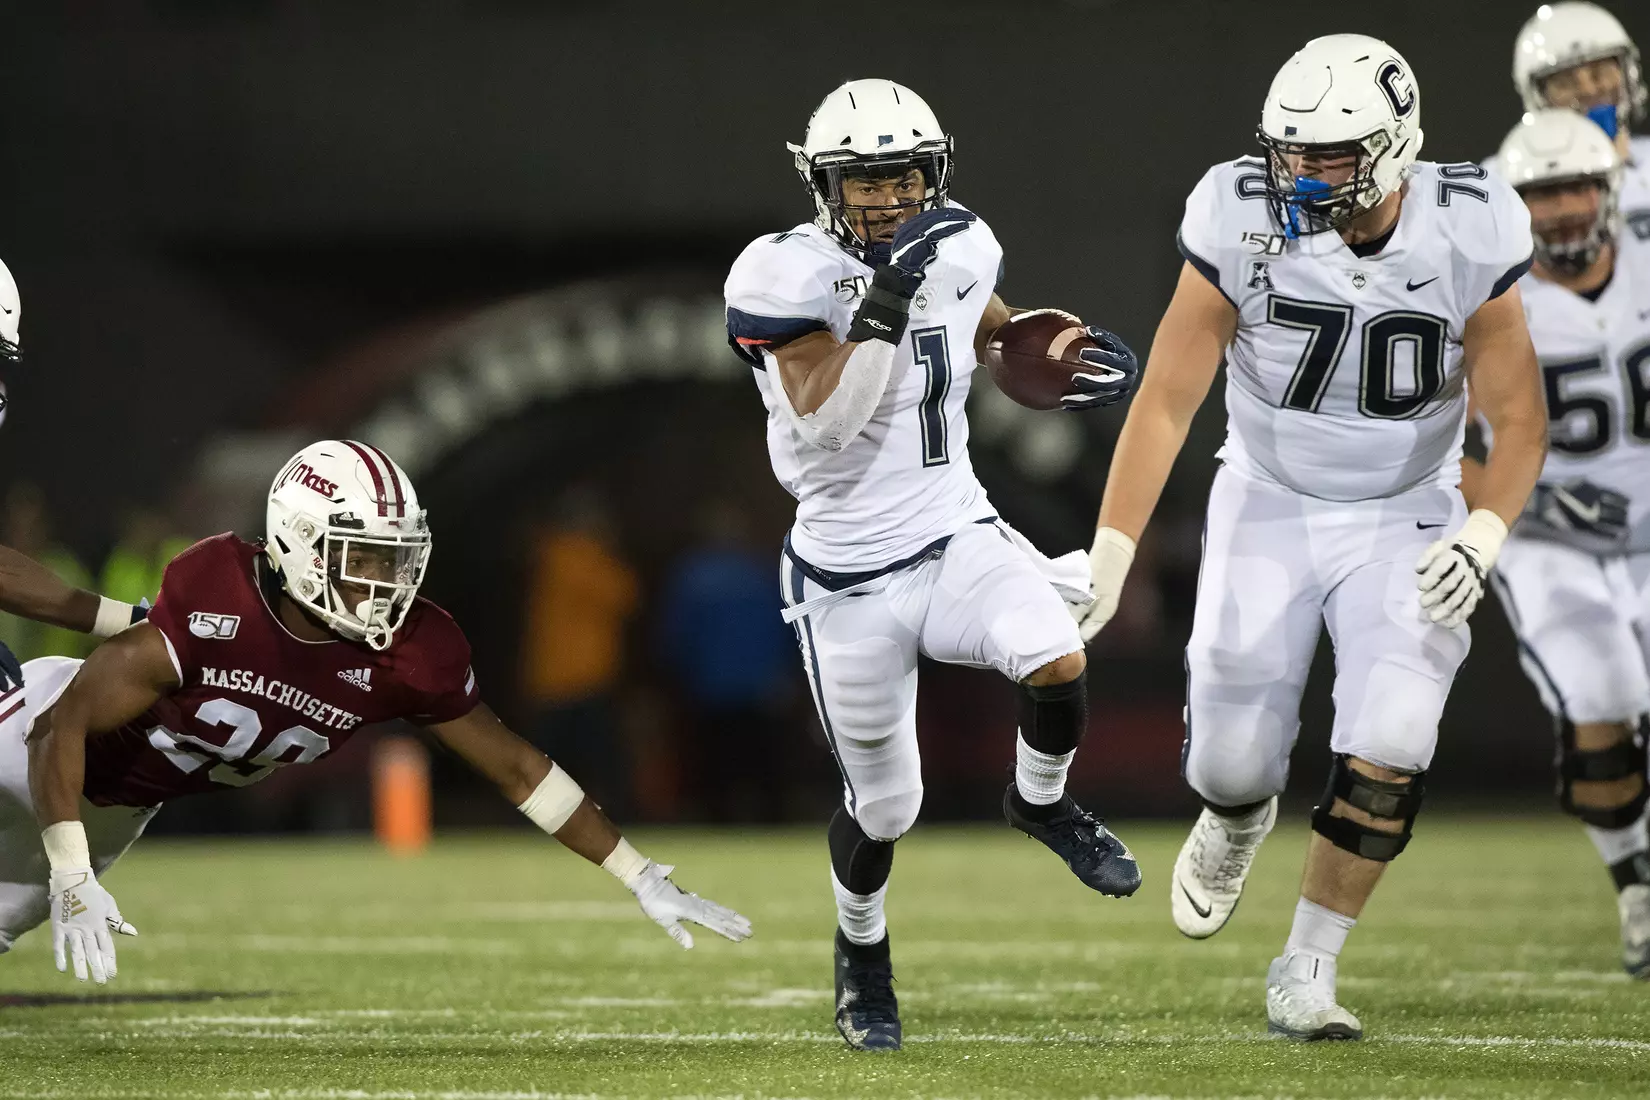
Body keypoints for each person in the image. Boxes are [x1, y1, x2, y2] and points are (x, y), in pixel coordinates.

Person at [1078, 36, 1547, 1040]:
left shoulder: (1469, 224)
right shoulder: (1236, 211)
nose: (1302, 171)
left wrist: (1483, 529)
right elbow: (1168, 397)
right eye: (1291, 149)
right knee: (1231, 764)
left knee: (1395, 737)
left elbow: (1517, 416)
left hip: (1407, 505)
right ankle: (1236, 814)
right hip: (1268, 497)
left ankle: (1309, 962)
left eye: (1331, 153)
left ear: (1395, 145)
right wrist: (1114, 548)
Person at [6, 440, 751, 984]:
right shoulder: (219, 598)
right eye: (365, 559)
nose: (387, 583)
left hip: (121, 804)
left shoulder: (408, 654)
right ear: (300, 544)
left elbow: (519, 769)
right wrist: (70, 869)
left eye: (398, 559)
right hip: (29, 732)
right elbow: (55, 727)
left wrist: (638, 873)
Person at [723, 78, 1140, 1051]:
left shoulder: (960, 243)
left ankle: (1040, 800)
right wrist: (890, 293)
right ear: (824, 185)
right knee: (886, 806)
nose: (886, 197)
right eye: (863, 181)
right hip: (845, 575)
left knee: (1055, 655)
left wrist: (1055, 347)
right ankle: (861, 951)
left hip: (954, 530)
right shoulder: (782, 272)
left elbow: (987, 326)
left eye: (902, 176)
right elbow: (828, 423)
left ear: (933, 174)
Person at [1477, 110, 1650, 978]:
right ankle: (1637, 886)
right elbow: (1420, 450)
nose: (1564, 207)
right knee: (1601, 693)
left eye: (1579, 185)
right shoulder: (1480, 293)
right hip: (1546, 537)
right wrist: (1531, 502)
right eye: (1543, 192)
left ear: (1611, 189)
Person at [1509, 2, 1649, 218]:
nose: (1589, 91)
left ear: (1628, 75)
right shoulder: (1502, 181)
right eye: (1566, 82)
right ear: (1537, 97)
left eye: (1600, 72)